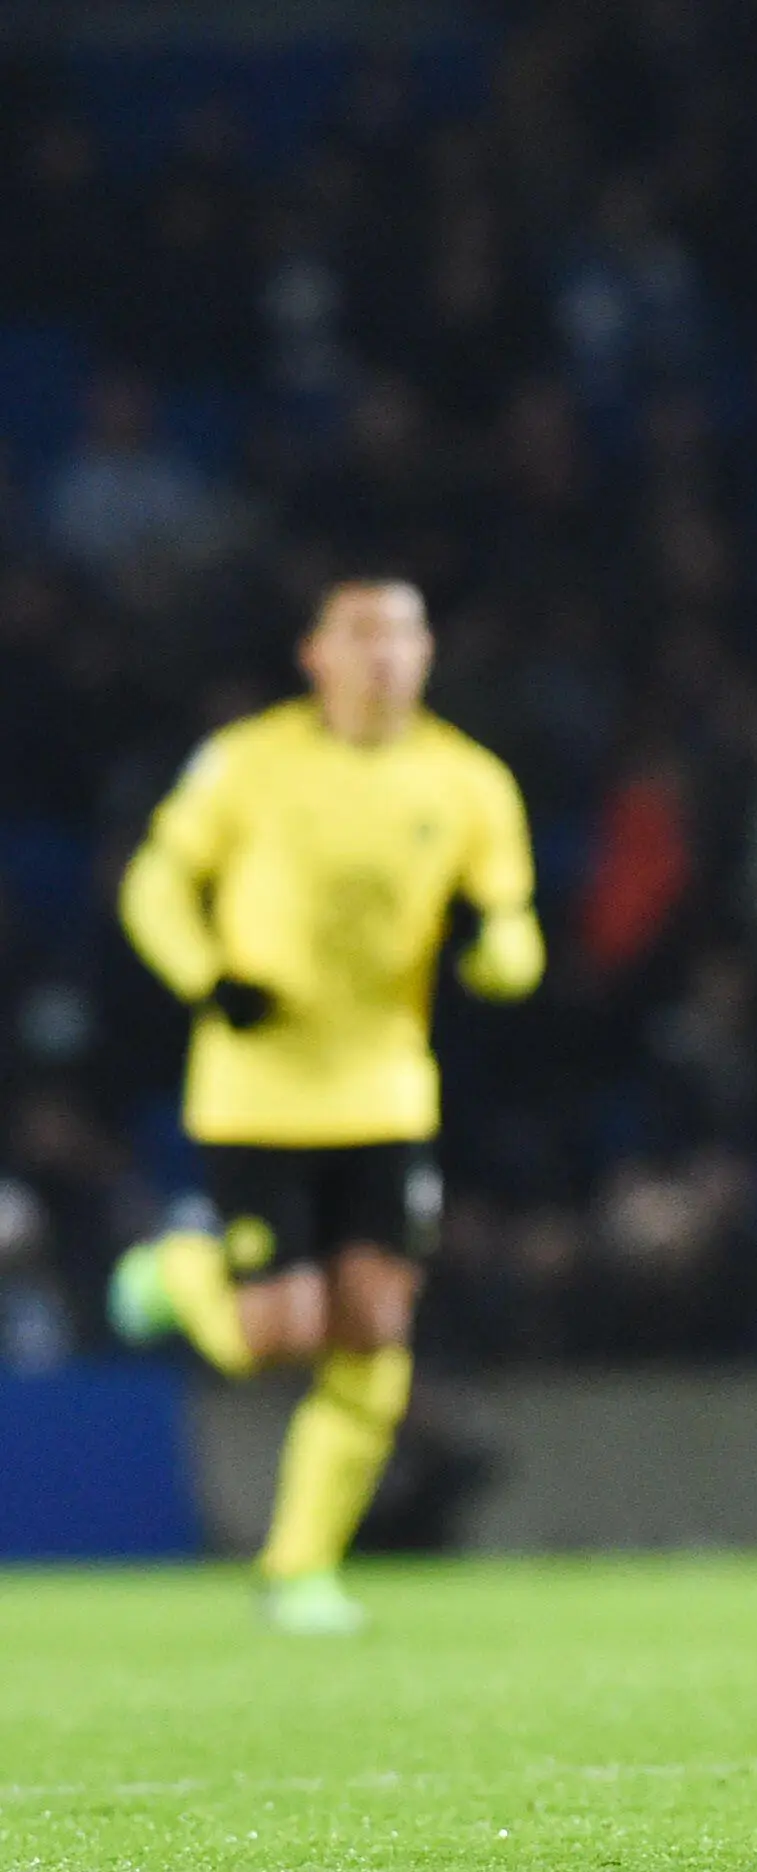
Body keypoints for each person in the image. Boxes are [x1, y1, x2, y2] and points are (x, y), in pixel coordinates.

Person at [106, 575, 543, 1634]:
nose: (385, 655)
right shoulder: (248, 762)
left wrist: (495, 954)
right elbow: (154, 885)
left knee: (376, 1329)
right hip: (258, 1090)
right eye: (361, 634)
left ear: (428, 652)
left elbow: (517, 936)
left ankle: (298, 1568)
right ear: (316, 654)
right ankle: (175, 1272)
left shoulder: (470, 781)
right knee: (275, 1333)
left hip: (386, 1092)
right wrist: (209, 976)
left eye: (403, 634)